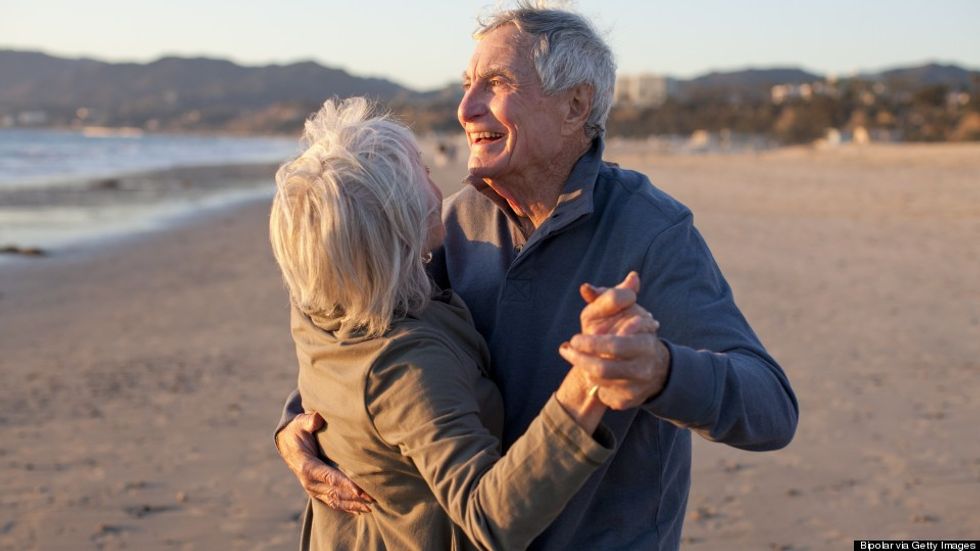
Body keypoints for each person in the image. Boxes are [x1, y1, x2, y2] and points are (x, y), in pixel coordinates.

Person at [276, 3, 799, 549]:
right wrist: (296, 426)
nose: (465, 108)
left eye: (495, 83)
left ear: (575, 105)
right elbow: (365, 341)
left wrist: (661, 371)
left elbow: (771, 409)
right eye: (466, 84)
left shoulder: (652, 232)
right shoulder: (446, 225)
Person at [268, 97, 661, 550]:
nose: (441, 193)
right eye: (426, 177)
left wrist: (288, 427)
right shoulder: (408, 371)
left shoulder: (319, 307)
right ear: (403, 227)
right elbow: (487, 517)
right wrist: (587, 386)